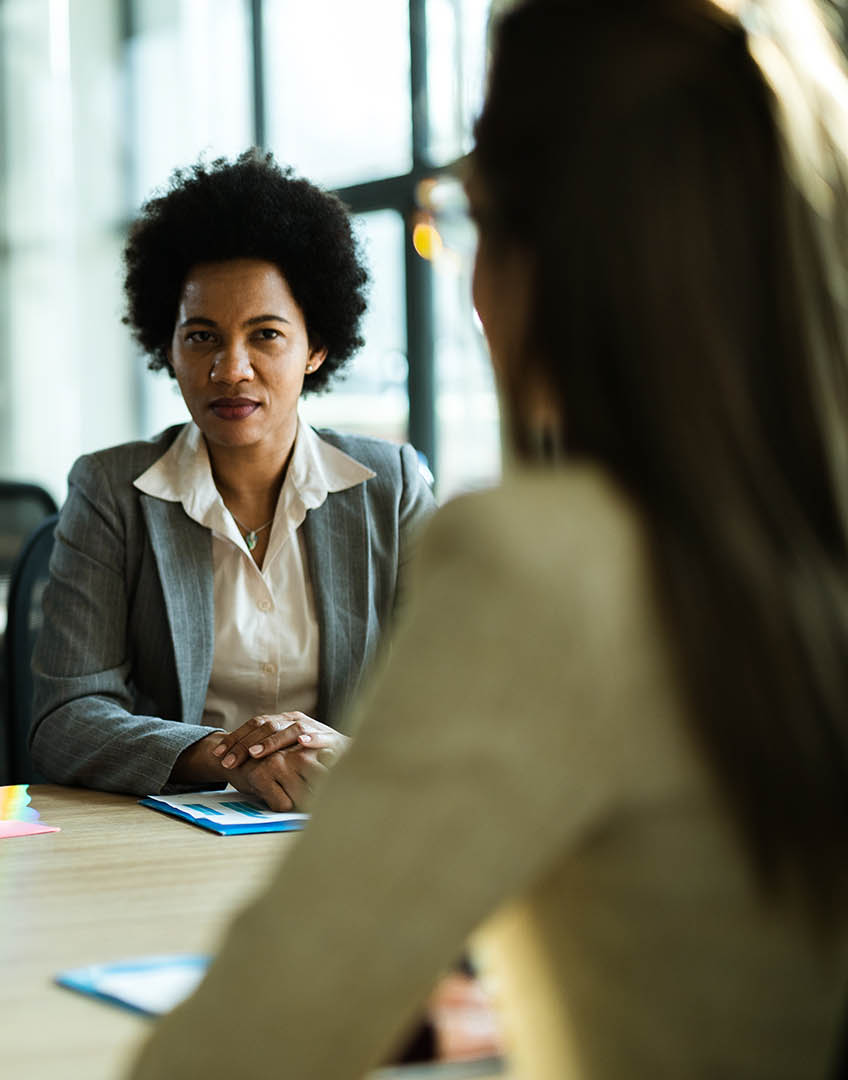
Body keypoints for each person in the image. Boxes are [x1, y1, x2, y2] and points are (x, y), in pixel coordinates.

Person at [130, 1, 848, 1076]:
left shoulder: (541, 569)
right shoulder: (797, 545)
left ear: (543, 251)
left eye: (468, 220)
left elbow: (233, 1054)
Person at [29, 150, 435, 809]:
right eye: (201, 337)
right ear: (168, 347)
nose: (231, 368)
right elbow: (63, 720)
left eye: (266, 334)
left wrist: (340, 755)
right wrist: (229, 758)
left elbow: (455, 693)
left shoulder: (390, 486)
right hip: (171, 832)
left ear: (317, 347)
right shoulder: (110, 491)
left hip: (350, 821)